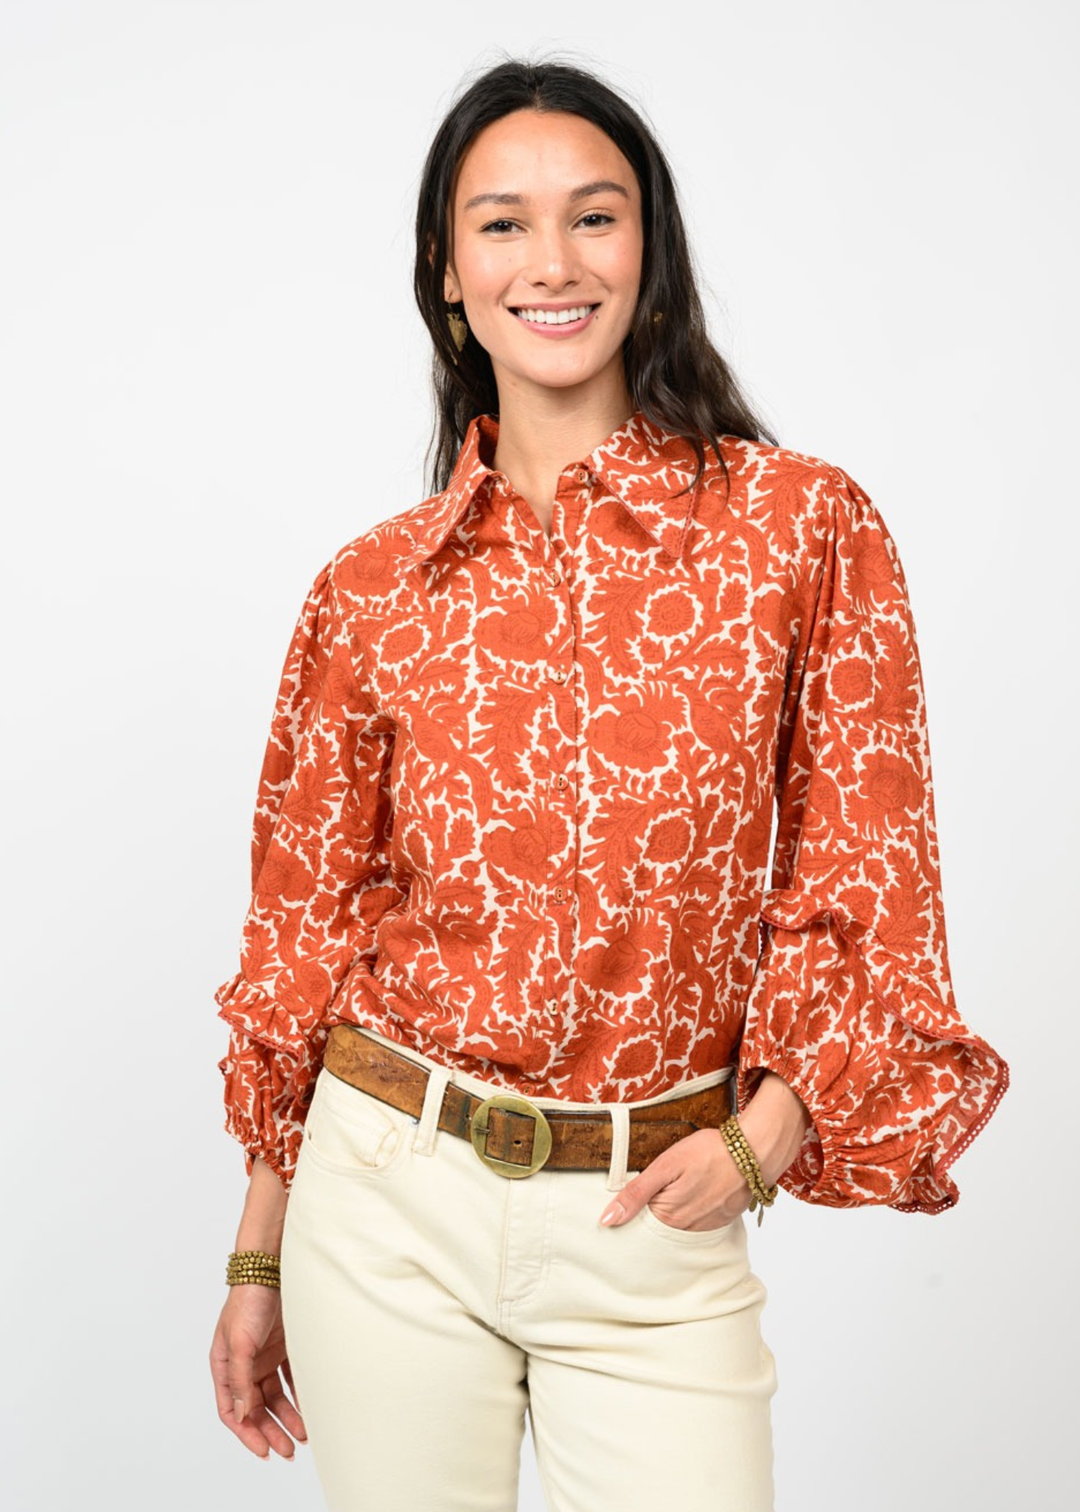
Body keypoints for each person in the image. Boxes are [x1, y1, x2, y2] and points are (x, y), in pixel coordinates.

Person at [208, 57, 1008, 1512]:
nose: (554, 262)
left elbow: (868, 864)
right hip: (385, 1200)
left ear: (651, 251)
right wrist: (259, 1255)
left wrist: (762, 1141)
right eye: (502, 226)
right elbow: (304, 937)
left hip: (656, 1217)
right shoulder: (369, 592)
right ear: (448, 274)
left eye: (596, 216)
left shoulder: (801, 531)